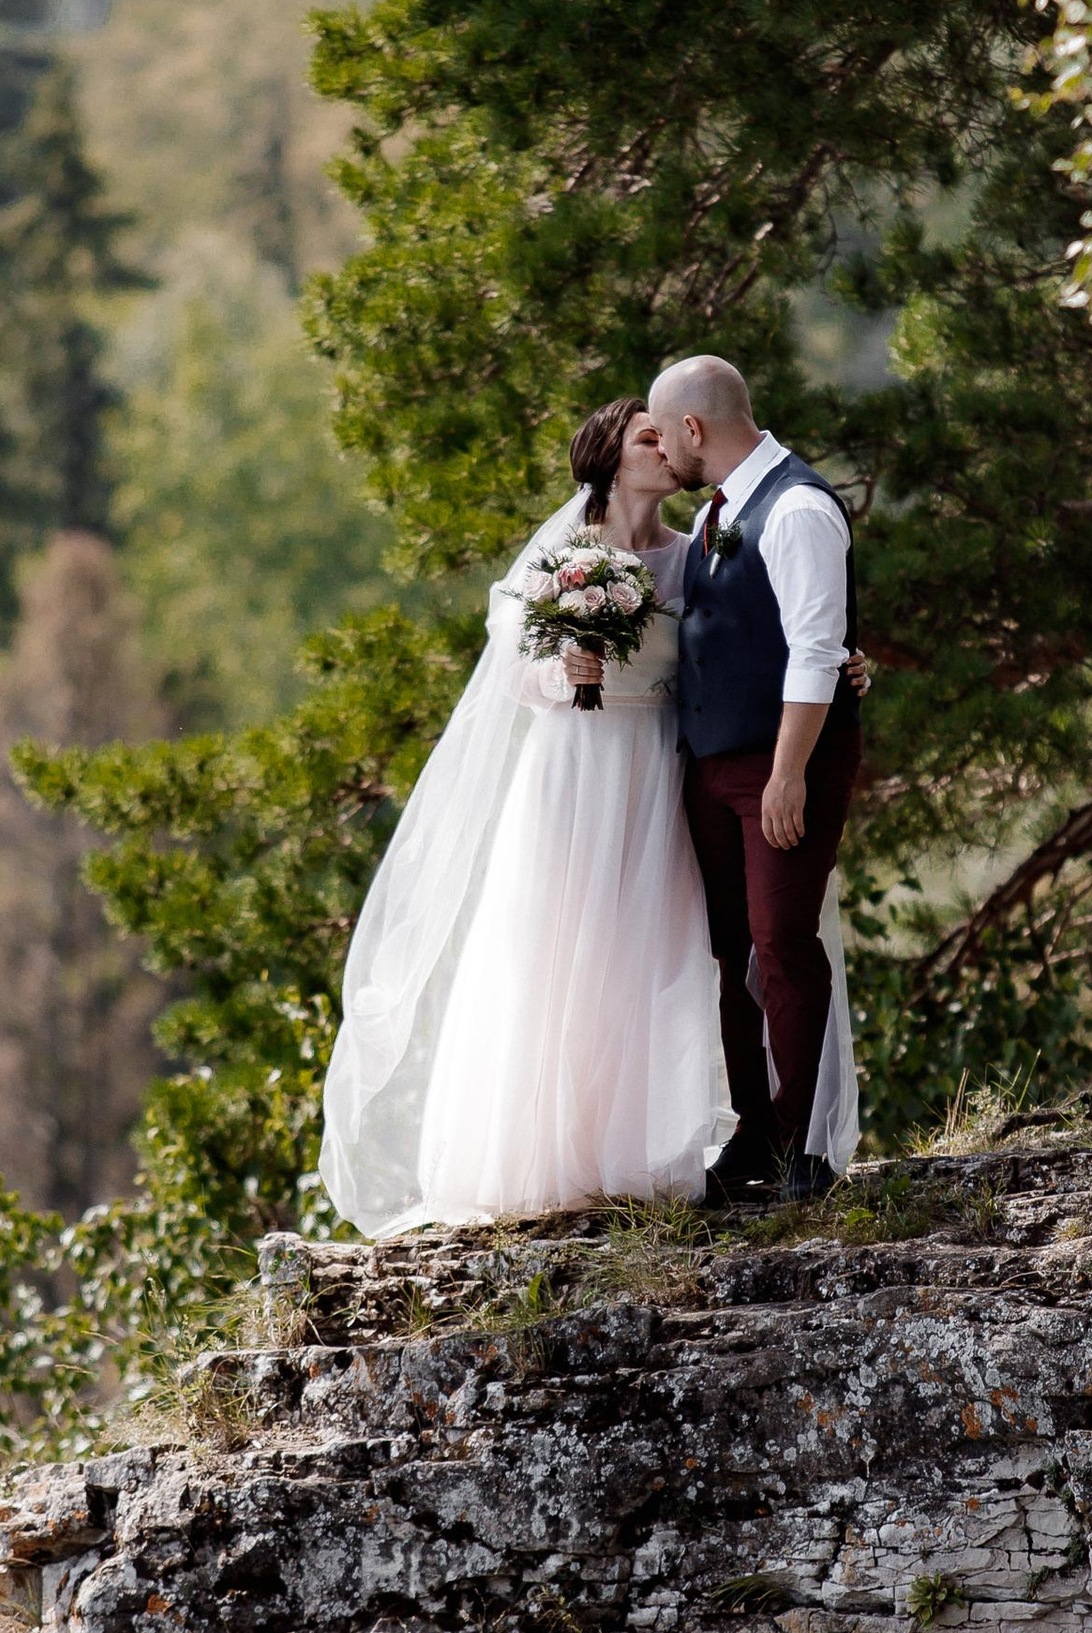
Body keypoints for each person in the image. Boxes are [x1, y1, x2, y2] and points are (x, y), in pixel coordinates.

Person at [317, 396, 861, 1231]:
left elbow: (753, 631)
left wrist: (844, 664)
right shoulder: (564, 554)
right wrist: (561, 671)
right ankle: (546, 1149)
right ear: (610, 457)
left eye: (665, 434)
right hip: (575, 769)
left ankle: (631, 1152)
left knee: (652, 953)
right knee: (559, 949)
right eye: (647, 438)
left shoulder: (695, 549)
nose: (664, 449)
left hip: (663, 770)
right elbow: (510, 666)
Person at [646, 353, 861, 1206]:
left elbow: (816, 649)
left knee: (783, 943)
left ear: (693, 428)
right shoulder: (716, 512)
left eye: (665, 436)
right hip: (713, 767)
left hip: (781, 768)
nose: (663, 452)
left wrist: (788, 773)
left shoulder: (798, 507)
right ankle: (756, 1133)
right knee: (730, 949)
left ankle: (809, 1143)